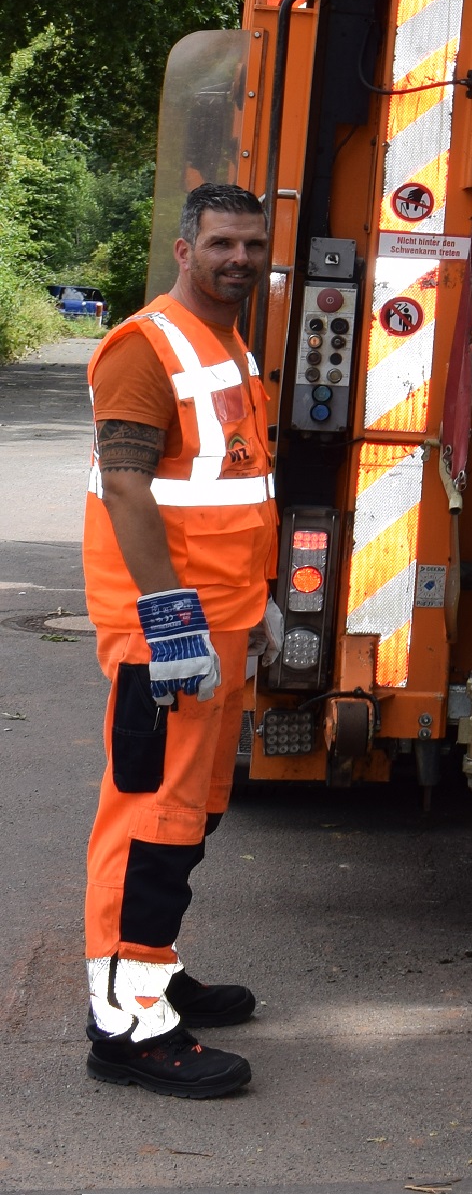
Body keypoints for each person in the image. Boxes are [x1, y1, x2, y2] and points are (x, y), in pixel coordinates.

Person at [81, 183, 282, 1098]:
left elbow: (228, 492)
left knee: (193, 811)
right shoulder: (144, 347)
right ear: (183, 247)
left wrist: (259, 601)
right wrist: (171, 622)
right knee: (148, 816)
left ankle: (153, 972)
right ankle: (125, 1025)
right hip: (167, 631)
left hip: (221, 622)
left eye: (251, 244)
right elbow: (127, 490)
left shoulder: (227, 340)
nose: (238, 258)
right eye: (221, 243)